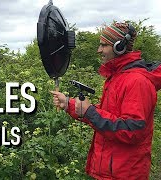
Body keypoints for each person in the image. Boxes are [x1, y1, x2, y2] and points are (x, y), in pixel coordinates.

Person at [51, 22, 161, 179]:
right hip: (111, 171)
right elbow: (107, 117)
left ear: (119, 47)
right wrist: (69, 104)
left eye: (104, 45)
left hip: (125, 174)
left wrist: (89, 112)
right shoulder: (117, 77)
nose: (99, 50)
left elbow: (132, 130)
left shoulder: (136, 82)